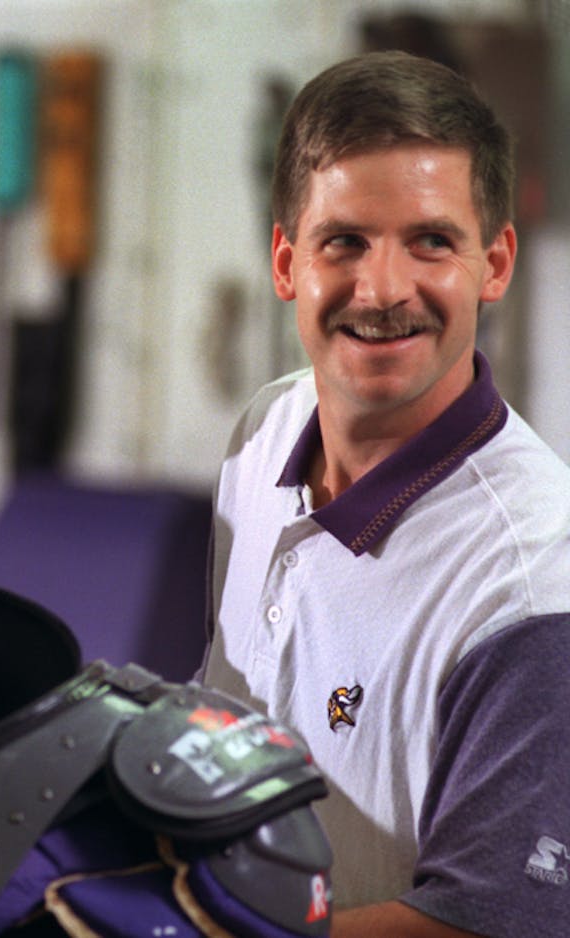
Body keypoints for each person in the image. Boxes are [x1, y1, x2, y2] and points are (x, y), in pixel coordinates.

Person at [199, 50, 570, 937]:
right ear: (288, 261)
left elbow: (488, 924)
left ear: (495, 263)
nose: (385, 289)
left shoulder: (534, 581)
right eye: (346, 242)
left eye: (432, 241)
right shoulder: (261, 433)